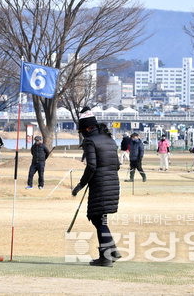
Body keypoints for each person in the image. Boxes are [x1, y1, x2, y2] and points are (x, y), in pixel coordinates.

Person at [71, 107, 121, 267]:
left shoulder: (90, 141)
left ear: (86, 128)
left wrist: (81, 184)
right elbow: (117, 165)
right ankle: (111, 252)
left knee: (98, 219)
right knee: (100, 219)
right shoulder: (109, 139)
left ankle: (107, 257)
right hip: (112, 182)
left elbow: (91, 166)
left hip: (100, 184)